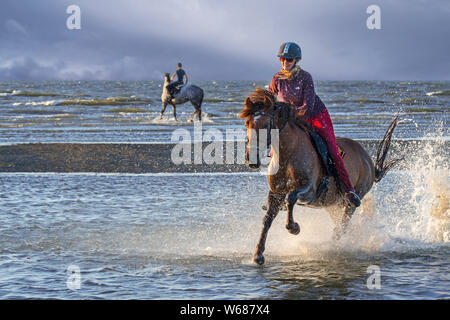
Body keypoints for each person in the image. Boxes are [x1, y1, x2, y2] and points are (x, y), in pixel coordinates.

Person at [269, 42, 361, 207]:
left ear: (296, 60)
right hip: (294, 119)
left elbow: (308, 107)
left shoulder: (305, 77)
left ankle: (349, 190)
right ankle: (279, 192)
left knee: (332, 150)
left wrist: (288, 115)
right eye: (282, 59)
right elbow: (270, 98)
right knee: (277, 149)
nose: (285, 62)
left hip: (316, 116)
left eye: (289, 59)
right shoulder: (277, 79)